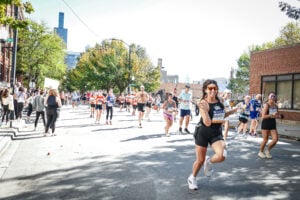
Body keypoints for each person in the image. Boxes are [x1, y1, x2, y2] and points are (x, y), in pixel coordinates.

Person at [187, 79, 238, 190]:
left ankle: (209, 161)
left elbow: (222, 115)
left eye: (215, 88)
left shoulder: (219, 100)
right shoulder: (203, 103)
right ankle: (192, 178)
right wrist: (219, 120)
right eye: (210, 88)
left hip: (215, 133)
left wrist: (233, 111)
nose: (213, 90)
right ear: (205, 90)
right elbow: (207, 122)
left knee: (222, 155)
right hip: (203, 133)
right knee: (200, 160)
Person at [258, 92, 283, 159]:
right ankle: (260, 152)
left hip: (272, 123)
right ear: (268, 97)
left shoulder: (275, 105)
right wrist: (272, 115)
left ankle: (267, 150)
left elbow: (276, 115)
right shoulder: (266, 105)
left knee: (275, 139)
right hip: (266, 123)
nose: (273, 97)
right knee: (265, 139)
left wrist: (279, 116)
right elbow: (263, 116)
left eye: (274, 96)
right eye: (271, 96)